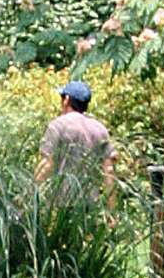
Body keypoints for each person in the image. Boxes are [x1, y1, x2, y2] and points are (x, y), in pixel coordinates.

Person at [36, 78, 116, 208]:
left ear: (66, 100)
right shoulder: (100, 129)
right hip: (89, 207)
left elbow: (47, 165)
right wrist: (111, 210)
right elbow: (109, 171)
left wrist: (29, 194)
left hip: (61, 206)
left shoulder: (57, 126)